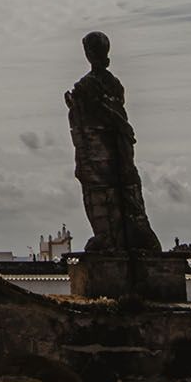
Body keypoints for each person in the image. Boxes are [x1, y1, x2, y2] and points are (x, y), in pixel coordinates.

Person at [65, 30, 161, 255]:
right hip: (111, 145)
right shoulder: (113, 84)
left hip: (96, 149)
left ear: (89, 53)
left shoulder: (88, 85)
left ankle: (108, 237)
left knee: (99, 192)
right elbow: (112, 114)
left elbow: (99, 113)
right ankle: (111, 236)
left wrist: (76, 106)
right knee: (112, 190)